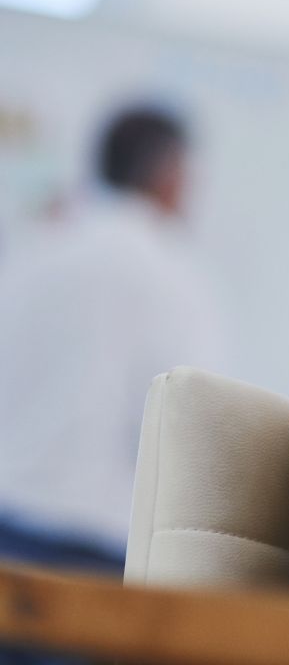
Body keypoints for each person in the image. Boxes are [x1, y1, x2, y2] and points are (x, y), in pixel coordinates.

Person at [0, 106, 228, 572]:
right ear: (171, 174)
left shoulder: (39, 245)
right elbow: (192, 430)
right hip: (91, 552)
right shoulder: (172, 271)